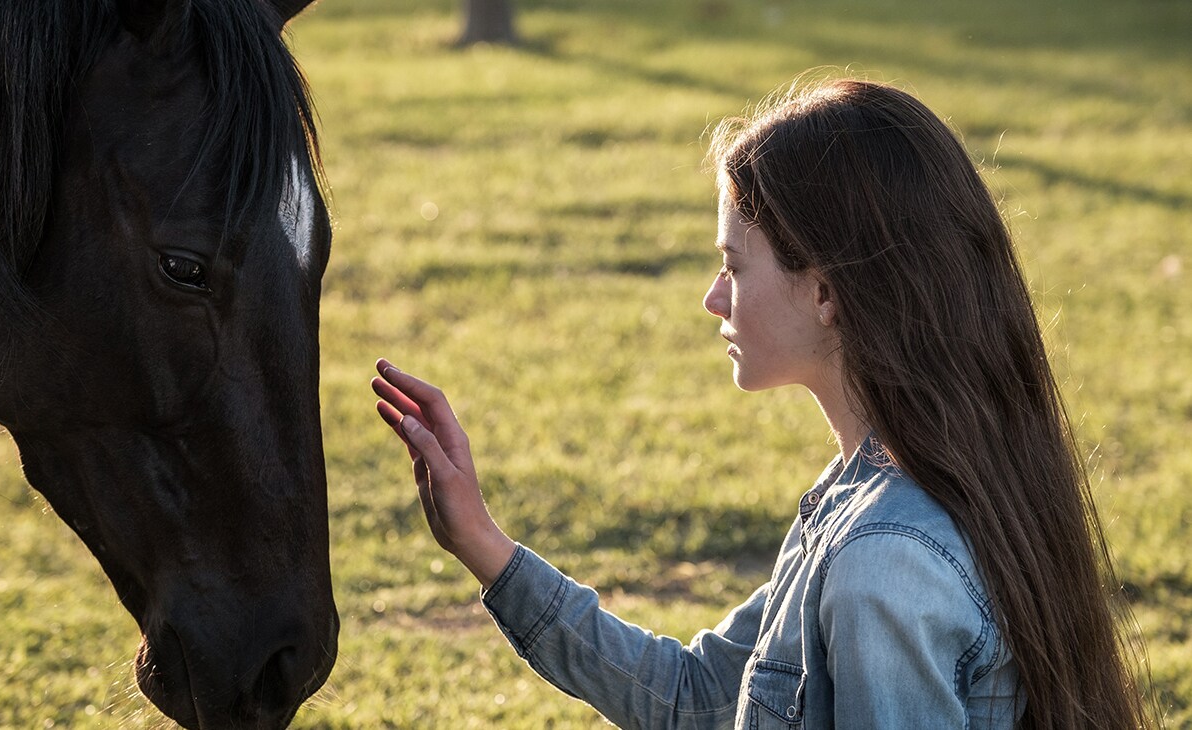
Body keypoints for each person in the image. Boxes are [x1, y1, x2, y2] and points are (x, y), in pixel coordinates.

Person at [370, 77, 1154, 729]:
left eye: (734, 268)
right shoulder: (876, 492)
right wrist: (481, 542)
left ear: (824, 293)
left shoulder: (883, 560)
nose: (714, 299)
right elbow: (695, 697)